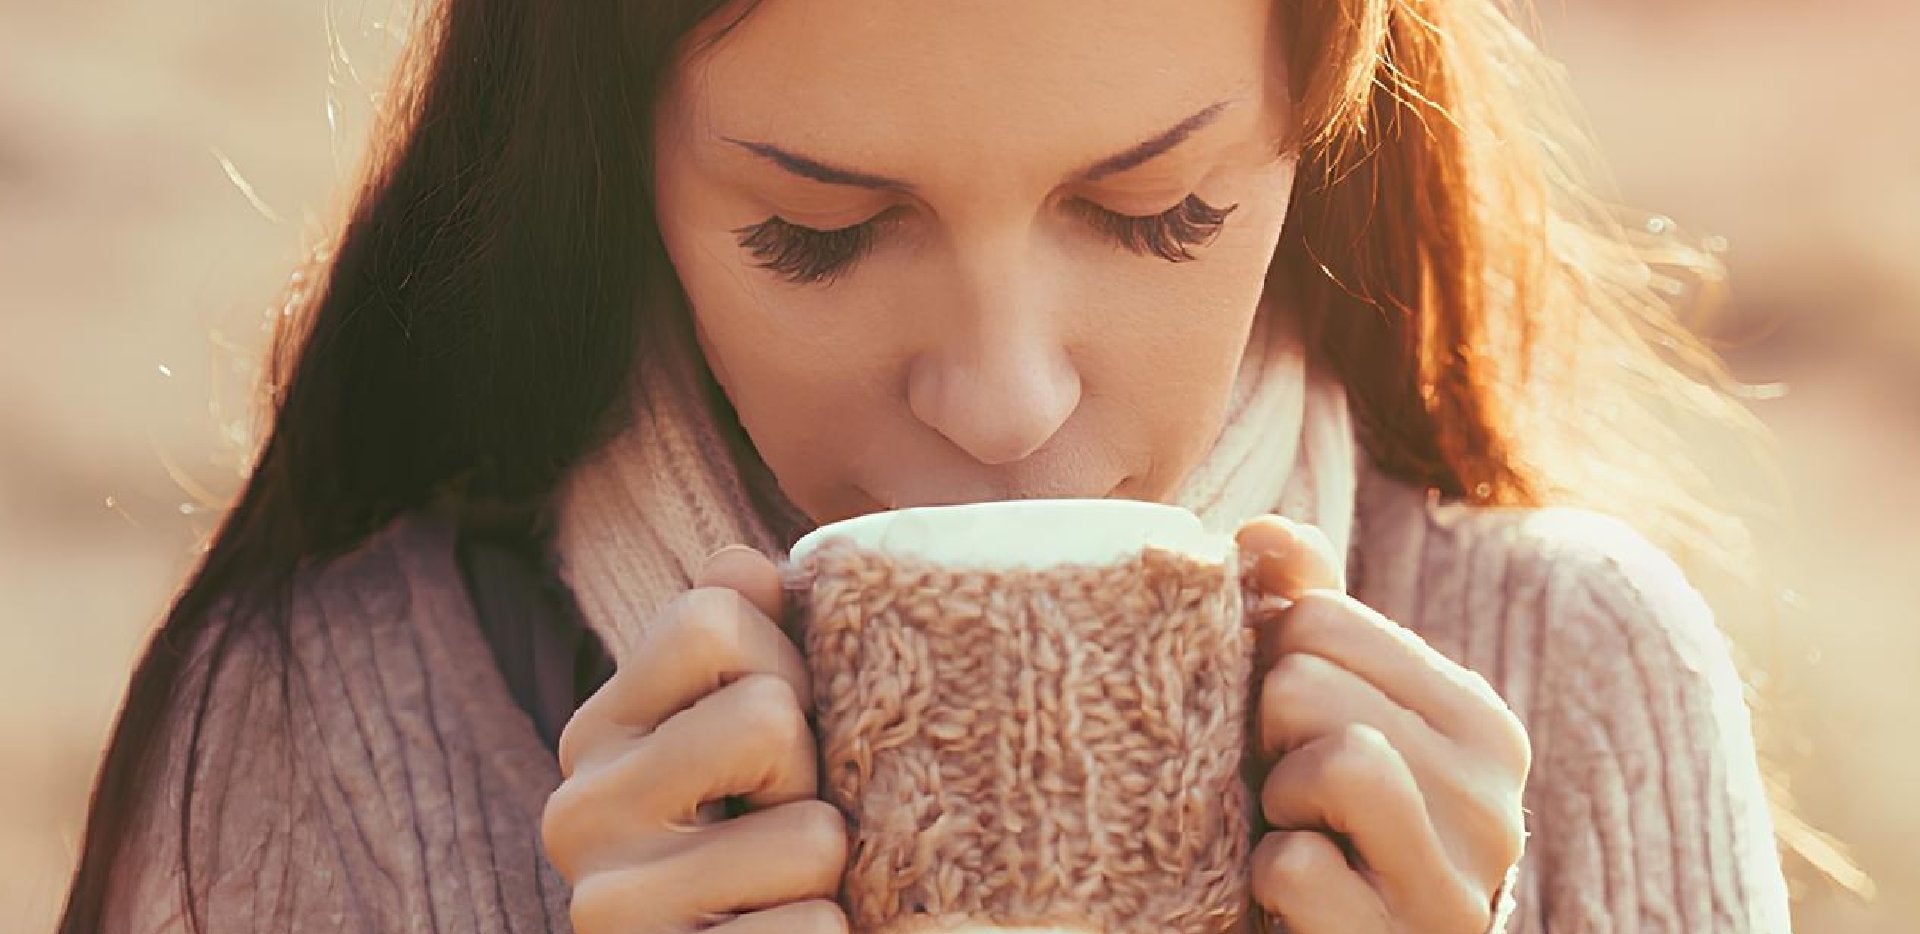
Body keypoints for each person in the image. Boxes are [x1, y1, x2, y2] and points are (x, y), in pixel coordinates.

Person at [59, 0, 1793, 931]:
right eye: (819, 231)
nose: (1003, 398)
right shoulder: (312, 736)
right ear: (616, 168)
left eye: (1156, 214)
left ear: (1320, 124)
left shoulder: (1583, 682)